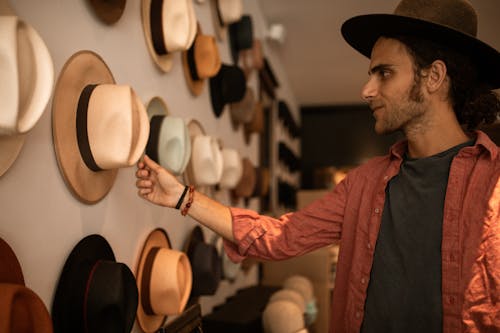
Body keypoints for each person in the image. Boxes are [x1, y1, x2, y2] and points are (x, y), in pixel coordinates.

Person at [136, 0, 500, 332]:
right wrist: (183, 197)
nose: (367, 89)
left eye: (384, 73)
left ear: (433, 77)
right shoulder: (364, 184)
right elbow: (281, 237)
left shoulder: (494, 186)